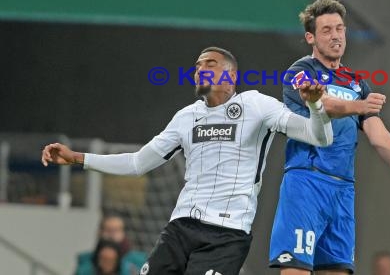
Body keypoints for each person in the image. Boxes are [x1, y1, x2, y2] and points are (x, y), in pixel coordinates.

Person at [41, 46, 334, 275]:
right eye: (197, 66)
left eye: (210, 64)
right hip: (180, 228)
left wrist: (315, 106)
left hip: (227, 234)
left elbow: (319, 137)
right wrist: (77, 158)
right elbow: (137, 163)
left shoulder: (256, 105)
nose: (200, 70)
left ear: (231, 76)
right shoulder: (186, 117)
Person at [268, 0, 390, 274]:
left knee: (337, 269)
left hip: (343, 188)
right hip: (307, 180)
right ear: (311, 37)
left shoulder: (356, 83)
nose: (336, 36)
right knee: (295, 268)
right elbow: (324, 104)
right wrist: (358, 106)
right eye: (327, 30)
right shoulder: (300, 72)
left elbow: (378, 134)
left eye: (340, 29)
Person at [76, 212, 147, 275]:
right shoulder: (86, 263)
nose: (112, 234)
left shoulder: (139, 262)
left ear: (124, 233)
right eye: (108, 230)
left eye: (116, 230)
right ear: (99, 233)